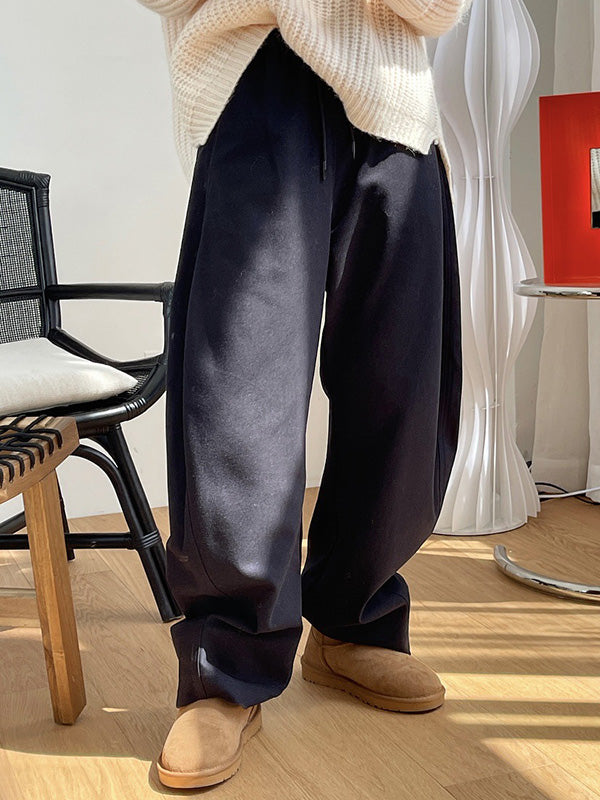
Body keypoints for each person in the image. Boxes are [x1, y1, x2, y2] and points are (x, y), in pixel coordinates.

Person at [135, 0, 471, 790]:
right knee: (239, 396)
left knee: (400, 389)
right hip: (253, 79)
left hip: (392, 102)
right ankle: (226, 666)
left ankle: (356, 620)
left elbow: (439, 8)